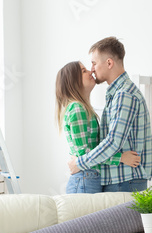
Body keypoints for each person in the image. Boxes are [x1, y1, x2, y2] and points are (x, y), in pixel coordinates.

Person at [68, 37, 152, 192]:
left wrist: (79, 163)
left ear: (109, 63)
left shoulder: (124, 95)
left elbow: (113, 143)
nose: (92, 69)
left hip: (125, 181)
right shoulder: (117, 94)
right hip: (122, 180)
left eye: (94, 63)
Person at [55, 61, 141, 194]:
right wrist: (121, 158)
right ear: (73, 81)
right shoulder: (77, 109)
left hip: (89, 178)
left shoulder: (84, 108)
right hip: (85, 178)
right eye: (84, 71)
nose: (91, 71)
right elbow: (85, 156)